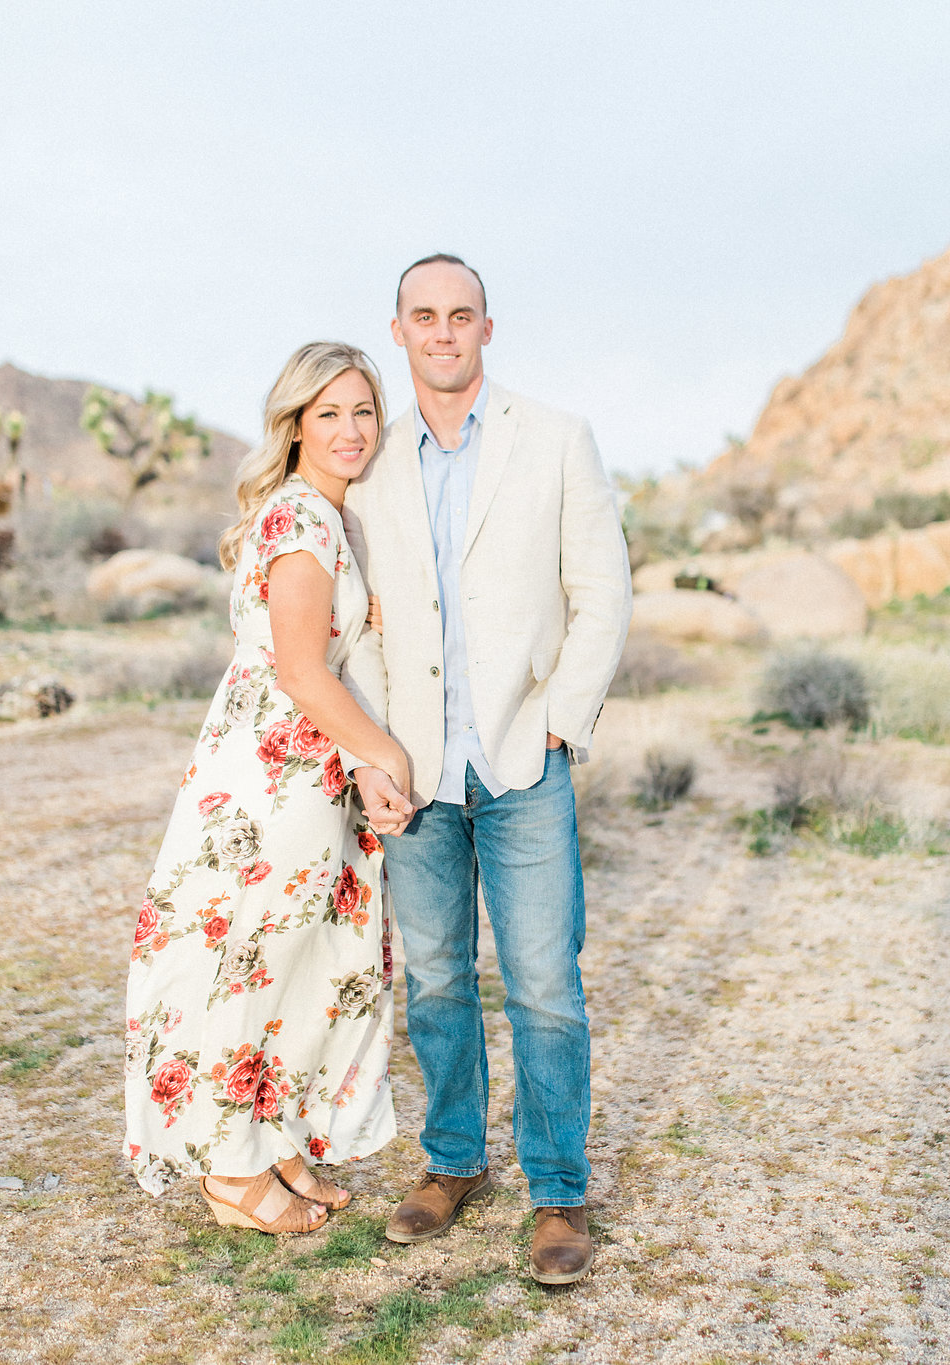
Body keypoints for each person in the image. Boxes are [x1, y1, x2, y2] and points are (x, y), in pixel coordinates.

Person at [339, 255, 632, 1283]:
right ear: (400, 329)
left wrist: (560, 718)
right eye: (424, 317)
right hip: (413, 772)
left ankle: (556, 1191)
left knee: (546, 984)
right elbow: (357, 618)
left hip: (521, 761)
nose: (444, 332)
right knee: (434, 981)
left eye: (461, 316)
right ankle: (453, 1162)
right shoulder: (366, 463)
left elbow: (604, 590)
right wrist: (377, 746)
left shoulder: (554, 439)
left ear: (486, 329)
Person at [123, 341, 410, 1235]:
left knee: (294, 962)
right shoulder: (302, 521)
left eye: (363, 410)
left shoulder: (323, 513)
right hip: (276, 775)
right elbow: (300, 671)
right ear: (293, 427)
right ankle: (226, 1171)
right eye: (328, 413)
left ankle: (273, 1137)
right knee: (248, 963)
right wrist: (388, 755)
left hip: (298, 764)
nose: (351, 430)